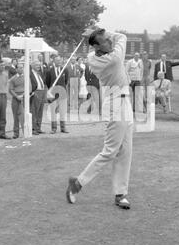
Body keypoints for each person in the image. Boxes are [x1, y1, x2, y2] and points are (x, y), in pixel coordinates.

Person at [66, 29, 133, 210]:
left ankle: (120, 194)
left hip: (125, 100)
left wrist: (100, 31)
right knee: (110, 151)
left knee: (125, 150)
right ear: (96, 46)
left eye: (109, 40)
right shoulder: (107, 59)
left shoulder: (100, 52)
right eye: (105, 41)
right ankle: (78, 183)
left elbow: (118, 37)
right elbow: (123, 38)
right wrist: (100, 31)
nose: (110, 43)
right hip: (114, 103)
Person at [46, 56, 69, 134]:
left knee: (62, 111)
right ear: (54, 61)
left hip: (62, 94)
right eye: (57, 60)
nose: (59, 62)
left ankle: (63, 128)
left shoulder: (64, 70)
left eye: (60, 60)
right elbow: (48, 82)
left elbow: (66, 81)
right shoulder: (49, 71)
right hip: (53, 95)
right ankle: (54, 128)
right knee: (53, 112)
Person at [9, 63, 28, 139]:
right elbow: (10, 89)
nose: (21, 69)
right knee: (16, 116)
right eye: (19, 68)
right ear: (16, 69)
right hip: (15, 98)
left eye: (22, 67)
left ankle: (25, 132)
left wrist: (23, 95)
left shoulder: (26, 78)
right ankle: (16, 133)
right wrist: (16, 96)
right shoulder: (13, 79)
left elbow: (28, 87)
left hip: (24, 97)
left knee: (23, 115)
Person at [30, 60, 45, 135]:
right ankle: (33, 128)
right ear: (32, 65)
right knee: (34, 111)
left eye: (39, 65)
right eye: (37, 65)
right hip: (36, 92)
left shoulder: (39, 73)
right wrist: (31, 92)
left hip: (42, 92)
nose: (38, 66)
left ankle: (38, 127)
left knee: (40, 111)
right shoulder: (30, 73)